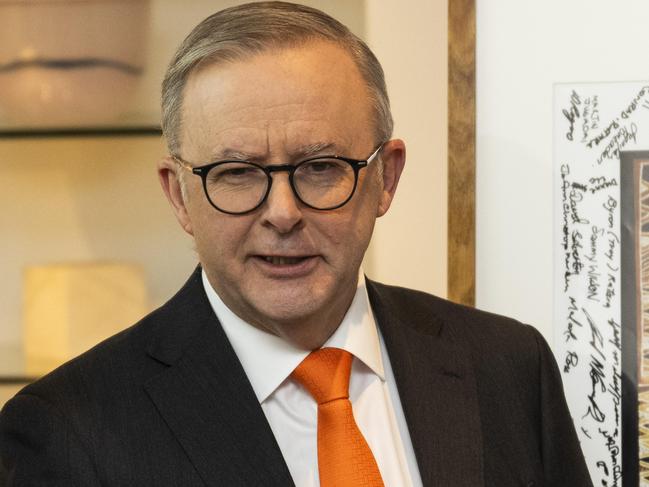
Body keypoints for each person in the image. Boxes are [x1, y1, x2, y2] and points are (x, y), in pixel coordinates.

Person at [0, 2, 592, 486]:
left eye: (321, 167)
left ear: (386, 177)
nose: (282, 214)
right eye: (235, 173)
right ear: (179, 196)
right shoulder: (65, 431)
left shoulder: (509, 368)